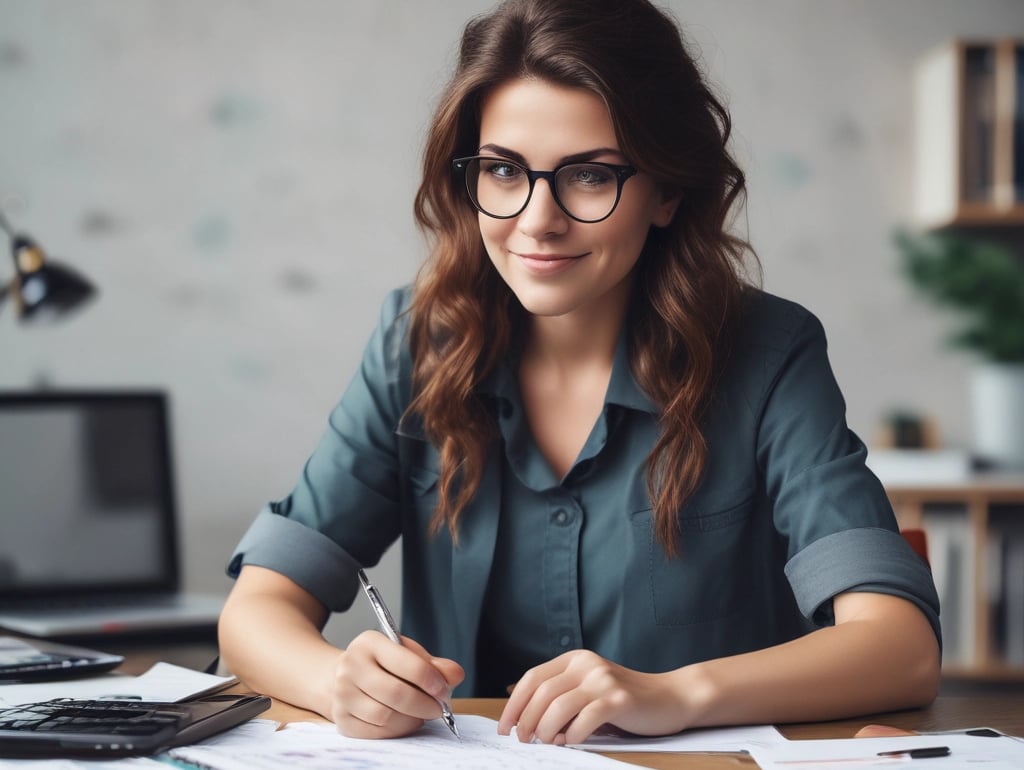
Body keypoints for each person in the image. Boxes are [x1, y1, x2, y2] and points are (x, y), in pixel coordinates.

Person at [218, 0, 941, 746]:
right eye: (503, 170)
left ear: (667, 191)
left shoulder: (770, 350)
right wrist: (338, 683)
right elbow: (256, 607)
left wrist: (676, 694)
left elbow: (901, 647)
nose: (537, 220)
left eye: (590, 176)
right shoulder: (414, 343)